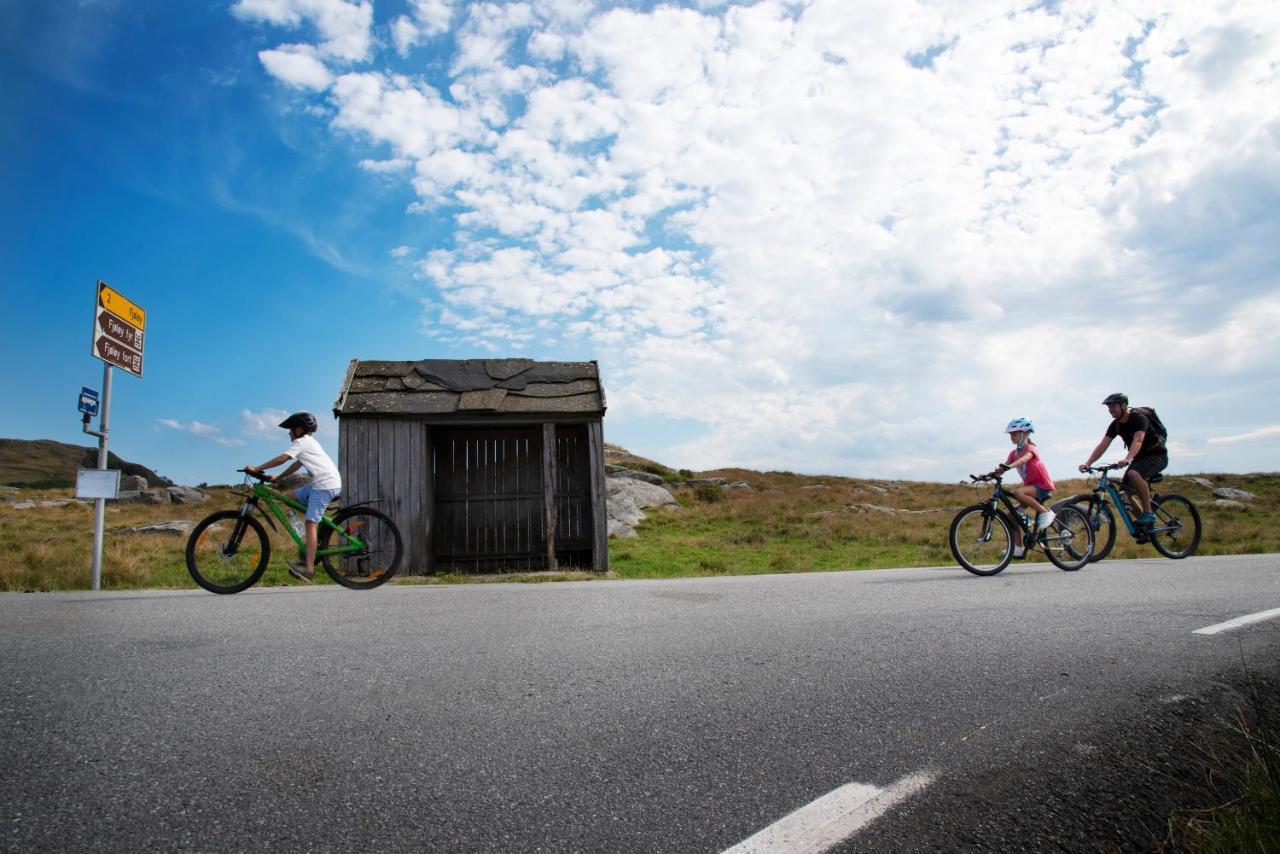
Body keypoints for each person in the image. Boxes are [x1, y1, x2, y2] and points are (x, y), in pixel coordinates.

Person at [245, 411, 341, 582]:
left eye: (291, 429)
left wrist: (257, 469)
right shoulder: (310, 443)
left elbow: (284, 458)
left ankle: (309, 569)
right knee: (287, 497)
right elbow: (297, 464)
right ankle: (313, 542)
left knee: (310, 523)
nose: (289, 433)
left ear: (299, 429)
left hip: (324, 485)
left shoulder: (302, 441)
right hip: (318, 484)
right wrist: (278, 478)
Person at [1078, 393, 1167, 528]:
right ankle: (1145, 528)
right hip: (1139, 458)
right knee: (1124, 494)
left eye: (1113, 406)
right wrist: (1088, 463)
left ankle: (1149, 513)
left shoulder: (1138, 418)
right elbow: (1102, 446)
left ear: (1124, 405)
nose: (1111, 410)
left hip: (1157, 455)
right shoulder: (1115, 425)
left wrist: (1128, 459)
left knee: (1133, 473)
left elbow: (1138, 440)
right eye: (1109, 407)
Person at [994, 417, 1056, 559]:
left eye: (1014, 433)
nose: (1011, 437)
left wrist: (1010, 466)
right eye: (1010, 434)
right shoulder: (1013, 453)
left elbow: (1024, 459)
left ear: (1025, 433)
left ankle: (1045, 512)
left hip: (1041, 486)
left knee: (1018, 492)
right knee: (1012, 516)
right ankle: (1018, 548)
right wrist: (991, 474)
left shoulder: (1030, 448)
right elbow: (1003, 467)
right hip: (1030, 488)